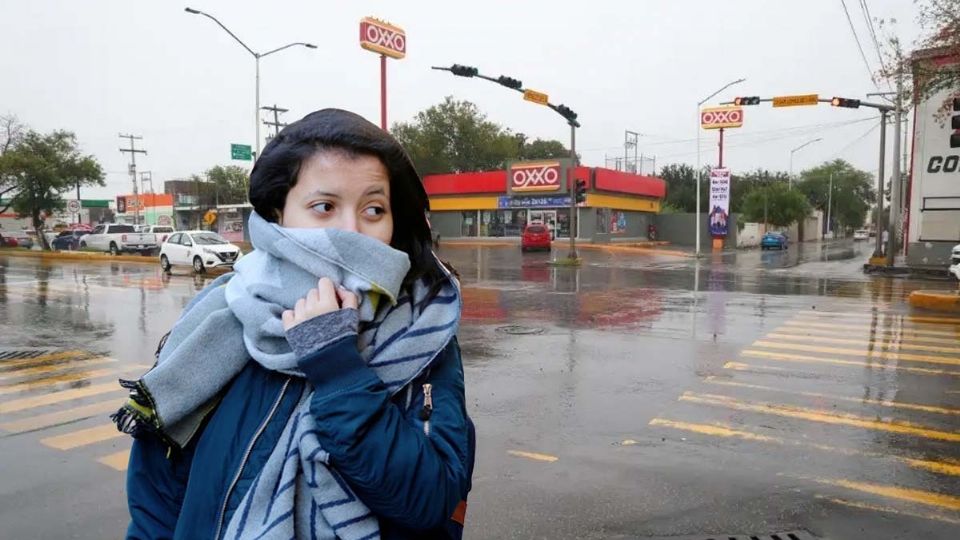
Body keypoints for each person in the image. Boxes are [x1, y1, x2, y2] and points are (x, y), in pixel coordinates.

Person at [114, 109, 475, 540]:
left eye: (374, 209)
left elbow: (429, 499)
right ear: (277, 214)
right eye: (324, 207)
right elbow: (158, 496)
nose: (351, 232)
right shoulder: (222, 317)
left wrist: (338, 369)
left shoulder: (421, 333)